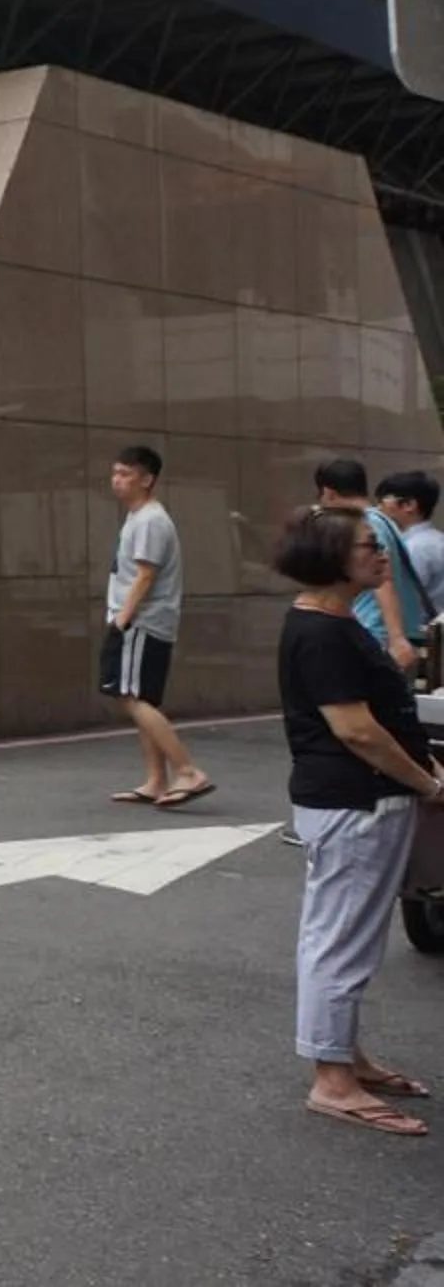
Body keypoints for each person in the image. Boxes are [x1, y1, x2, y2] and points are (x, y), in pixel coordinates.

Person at [269, 505, 444, 1136]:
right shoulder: (321, 632)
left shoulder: (335, 621)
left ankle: (345, 1056)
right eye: (370, 546)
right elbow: (355, 730)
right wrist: (425, 781)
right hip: (354, 804)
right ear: (333, 559)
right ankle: (332, 1081)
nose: (381, 555)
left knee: (351, 938)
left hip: (360, 801)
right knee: (339, 941)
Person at [102, 445, 208, 808]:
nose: (117, 480)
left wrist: (123, 618)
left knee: (130, 697)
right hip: (144, 621)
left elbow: (146, 574)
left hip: (140, 622)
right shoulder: (140, 517)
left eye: (126, 474)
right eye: (115, 473)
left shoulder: (149, 520)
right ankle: (156, 780)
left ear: (148, 479)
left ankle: (188, 771)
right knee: (141, 698)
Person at [318, 459, 426, 678]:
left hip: (378, 633)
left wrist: (396, 638)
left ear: (328, 493)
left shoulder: (367, 524)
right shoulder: (383, 521)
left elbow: (384, 580)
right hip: (390, 632)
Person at [377, 470, 444, 629]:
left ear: (409, 505)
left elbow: (402, 599)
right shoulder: (437, 540)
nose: (379, 508)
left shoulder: (413, 548)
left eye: (384, 500)